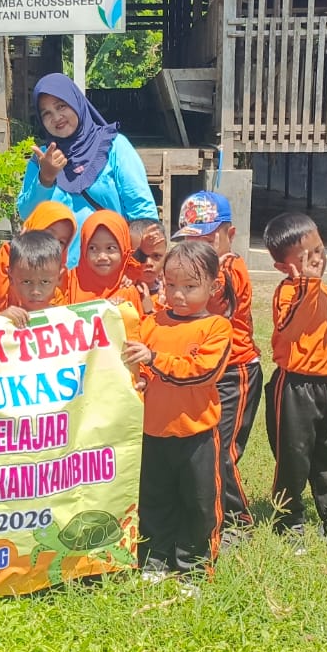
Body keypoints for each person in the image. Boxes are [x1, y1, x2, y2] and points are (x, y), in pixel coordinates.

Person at [121, 239, 234, 575]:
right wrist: (139, 378)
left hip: (196, 434)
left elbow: (201, 372)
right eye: (171, 285)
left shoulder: (216, 327)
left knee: (200, 504)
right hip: (153, 433)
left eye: (189, 286)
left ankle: (195, 567)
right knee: (153, 501)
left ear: (213, 286)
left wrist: (154, 359)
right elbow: (136, 368)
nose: (178, 295)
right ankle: (154, 560)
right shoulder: (151, 323)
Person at [263, 212, 327, 548]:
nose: (318, 259)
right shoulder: (287, 293)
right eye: (307, 257)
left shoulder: (325, 292)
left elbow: (326, 342)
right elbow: (290, 329)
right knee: (294, 458)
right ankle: (288, 520)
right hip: (293, 386)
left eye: (319, 249)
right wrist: (308, 284)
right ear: (284, 267)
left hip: (322, 386)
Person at [173, 191, 261, 531]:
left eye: (209, 240)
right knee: (204, 446)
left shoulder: (228, 270)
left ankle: (238, 523)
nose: (203, 249)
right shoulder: (198, 270)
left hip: (236, 371)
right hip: (206, 371)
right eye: (192, 241)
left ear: (230, 235)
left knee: (223, 450)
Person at [15, 73, 157, 265]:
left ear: (76, 103)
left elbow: (143, 213)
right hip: (57, 277)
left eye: (61, 106)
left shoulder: (113, 147)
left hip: (110, 274)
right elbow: (27, 214)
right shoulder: (42, 158)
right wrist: (45, 180)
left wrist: (136, 269)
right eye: (46, 113)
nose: (56, 117)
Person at [0, 201, 77, 313]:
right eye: (49, 234)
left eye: (61, 241)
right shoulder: (7, 256)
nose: (53, 243)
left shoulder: (62, 274)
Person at [68, 211, 143, 310]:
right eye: (93, 248)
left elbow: (137, 325)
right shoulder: (68, 283)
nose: (102, 256)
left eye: (110, 248)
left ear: (124, 249)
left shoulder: (127, 290)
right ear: (83, 249)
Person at [0, 230, 68, 328]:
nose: (35, 291)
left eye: (45, 282)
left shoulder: (67, 320)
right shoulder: (8, 319)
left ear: (60, 278)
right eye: (26, 282)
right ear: (11, 278)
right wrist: (0, 320)